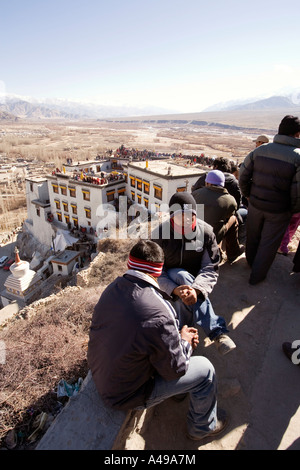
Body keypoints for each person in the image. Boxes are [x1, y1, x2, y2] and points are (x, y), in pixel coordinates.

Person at [87, 240, 228, 440]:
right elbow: (175, 369)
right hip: (126, 394)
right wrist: (185, 342)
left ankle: (180, 392)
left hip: (103, 373)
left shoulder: (112, 289)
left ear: (129, 265)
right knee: (205, 369)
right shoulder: (159, 310)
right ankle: (201, 428)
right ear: (158, 271)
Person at [151, 191, 236, 355]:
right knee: (179, 275)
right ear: (171, 217)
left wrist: (196, 289)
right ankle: (216, 332)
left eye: (190, 216)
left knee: (184, 280)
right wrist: (174, 290)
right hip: (167, 281)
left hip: (196, 281)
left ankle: (184, 339)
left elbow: (210, 267)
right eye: (180, 217)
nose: (185, 222)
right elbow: (156, 271)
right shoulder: (159, 235)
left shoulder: (205, 233)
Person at [239, 115, 300, 285]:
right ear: (297, 134)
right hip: (279, 210)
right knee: (269, 243)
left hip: (256, 204)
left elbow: (243, 177)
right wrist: (292, 209)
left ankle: (250, 263)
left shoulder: (259, 151)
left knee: (253, 236)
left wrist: (249, 195)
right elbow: (298, 191)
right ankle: (256, 277)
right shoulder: (298, 157)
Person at [192, 170, 244, 263]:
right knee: (233, 219)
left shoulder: (196, 194)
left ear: (207, 182)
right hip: (212, 235)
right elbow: (230, 213)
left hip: (193, 236)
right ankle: (233, 254)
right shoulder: (229, 200)